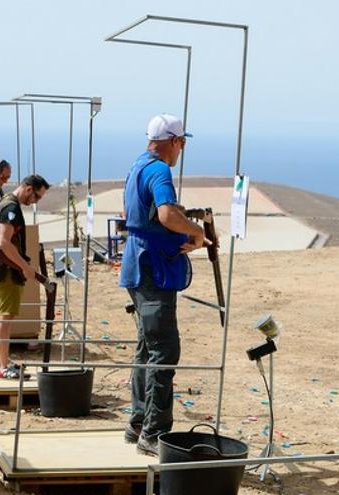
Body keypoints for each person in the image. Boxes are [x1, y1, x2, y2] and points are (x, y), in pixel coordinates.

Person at [120, 113, 208, 457]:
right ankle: (154, 432)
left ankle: (138, 421)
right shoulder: (159, 170)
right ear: (174, 142)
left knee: (146, 346)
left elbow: (145, 213)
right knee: (163, 351)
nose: (182, 149)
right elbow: (166, 215)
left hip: (138, 267)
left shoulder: (138, 165)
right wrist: (197, 232)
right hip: (153, 271)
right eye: (182, 142)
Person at [0, 174, 50, 379]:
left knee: (0, 316)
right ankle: (3, 367)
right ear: (29, 188)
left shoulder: (5, 203)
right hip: (7, 271)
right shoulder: (10, 208)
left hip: (1, 269)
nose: (36, 202)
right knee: (5, 318)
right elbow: (4, 242)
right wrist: (25, 268)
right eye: (37, 197)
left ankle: (0, 360)